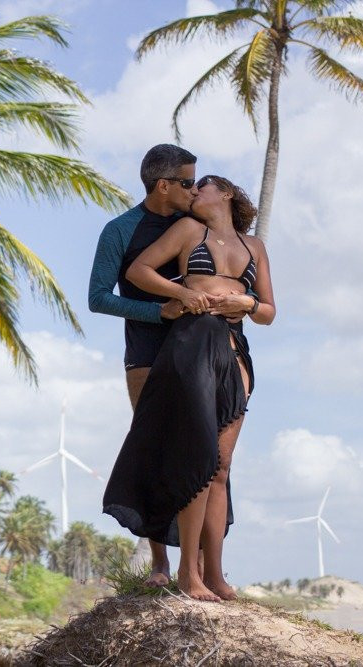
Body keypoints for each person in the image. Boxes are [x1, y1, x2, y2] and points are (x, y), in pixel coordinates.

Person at [102, 175, 276, 601]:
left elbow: (269, 311)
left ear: (228, 193)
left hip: (235, 349)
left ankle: (214, 575)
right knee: (197, 459)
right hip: (191, 343)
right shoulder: (187, 231)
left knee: (220, 468)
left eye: (203, 187)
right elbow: (138, 271)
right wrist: (181, 291)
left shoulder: (254, 246)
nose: (194, 193)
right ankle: (187, 574)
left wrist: (247, 303)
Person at [88, 144, 198, 587]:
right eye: (189, 183)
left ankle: (201, 566)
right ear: (164, 185)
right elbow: (97, 298)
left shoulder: (198, 225)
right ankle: (159, 564)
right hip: (145, 354)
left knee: (202, 455)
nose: (196, 190)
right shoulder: (120, 230)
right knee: (153, 450)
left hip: (198, 352)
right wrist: (159, 312)